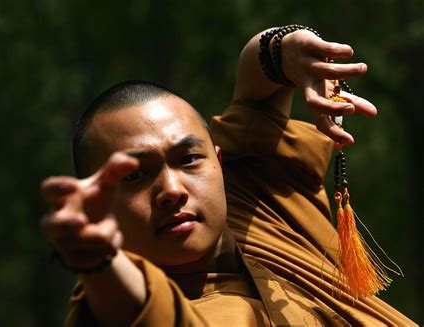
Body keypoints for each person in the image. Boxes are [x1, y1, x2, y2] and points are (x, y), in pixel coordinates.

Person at [40, 26, 416, 326]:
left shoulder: (263, 210)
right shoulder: (125, 300)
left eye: (188, 159)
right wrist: (99, 260)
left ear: (219, 163)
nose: (171, 190)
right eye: (134, 176)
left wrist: (284, 50)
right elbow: (131, 304)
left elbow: (257, 93)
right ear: (97, 208)